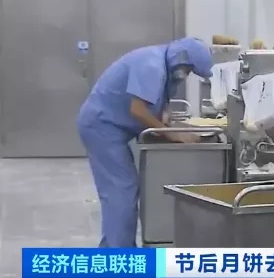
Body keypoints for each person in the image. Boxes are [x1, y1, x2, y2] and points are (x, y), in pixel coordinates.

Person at [76, 37, 214, 247]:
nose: (186, 74)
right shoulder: (152, 65)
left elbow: (160, 100)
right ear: (182, 59)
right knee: (121, 190)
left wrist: (165, 116)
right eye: (189, 69)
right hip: (101, 126)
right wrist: (171, 134)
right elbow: (137, 110)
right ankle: (117, 255)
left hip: (113, 127)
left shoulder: (166, 67)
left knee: (123, 189)